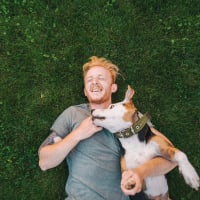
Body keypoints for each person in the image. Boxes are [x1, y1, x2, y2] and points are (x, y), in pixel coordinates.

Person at [38, 56, 176, 200]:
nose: (95, 82)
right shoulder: (73, 113)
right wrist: (78, 134)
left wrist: (140, 172)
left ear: (113, 87)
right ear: (85, 91)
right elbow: (44, 162)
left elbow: (171, 158)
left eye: (101, 78)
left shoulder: (130, 116)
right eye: (89, 80)